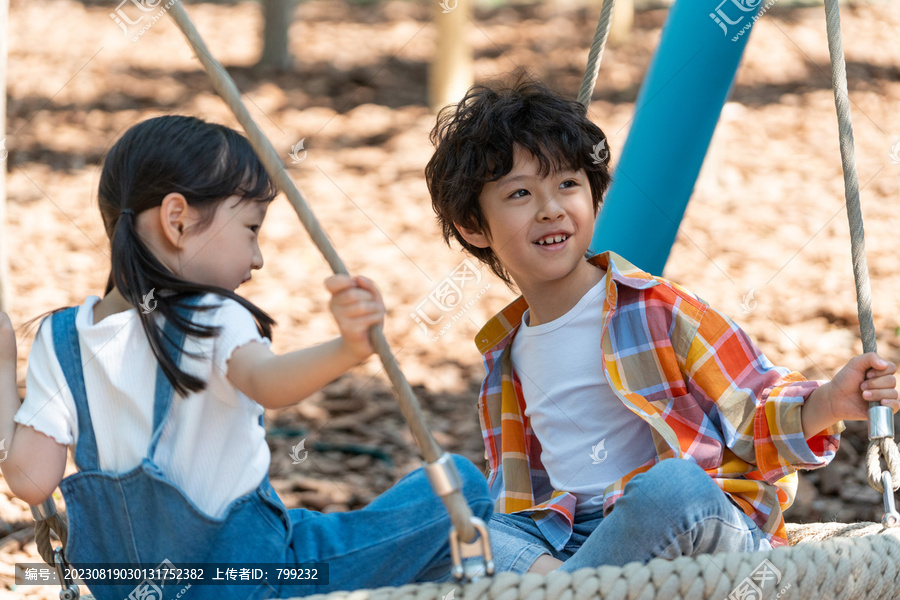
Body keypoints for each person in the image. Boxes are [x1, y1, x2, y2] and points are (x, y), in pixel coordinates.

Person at [0, 115, 492, 599]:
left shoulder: (60, 339)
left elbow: (29, 479)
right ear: (178, 220)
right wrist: (349, 348)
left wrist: (4, 367)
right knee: (464, 491)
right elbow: (267, 381)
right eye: (252, 229)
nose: (257, 258)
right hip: (268, 578)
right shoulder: (210, 315)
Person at [425, 78, 898, 575]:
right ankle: (570, 583)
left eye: (568, 184)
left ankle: (564, 588)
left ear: (593, 194)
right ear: (474, 227)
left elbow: (752, 407)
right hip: (572, 541)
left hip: (687, 526)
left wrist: (829, 402)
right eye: (520, 193)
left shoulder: (655, 307)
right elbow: (517, 495)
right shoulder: (506, 354)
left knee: (673, 485)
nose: (551, 209)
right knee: (450, 511)